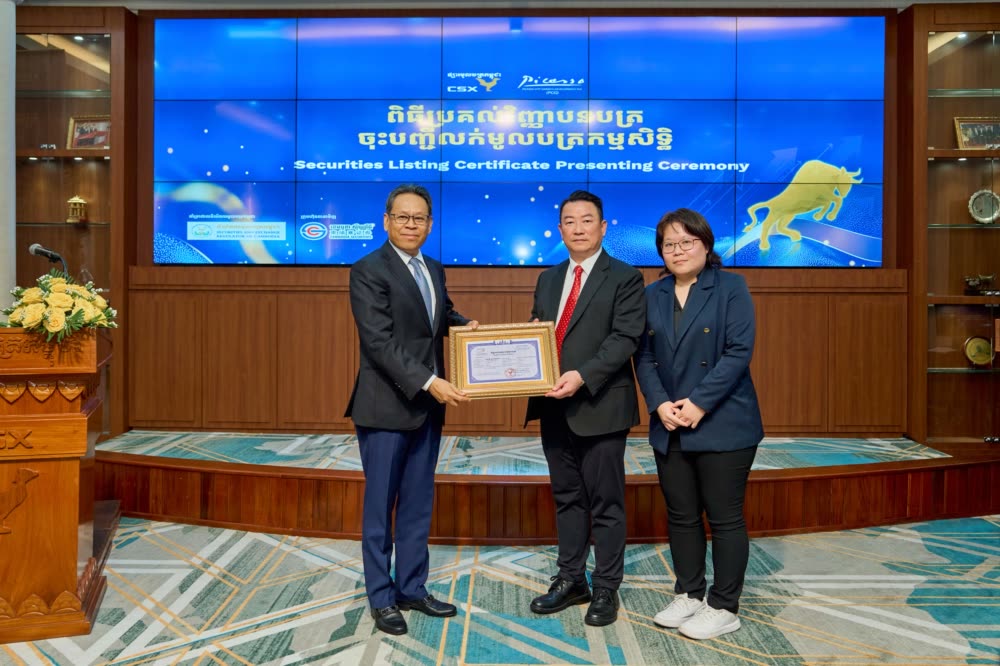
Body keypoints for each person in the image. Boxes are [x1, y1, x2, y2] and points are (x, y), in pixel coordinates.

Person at [345, 184, 479, 636]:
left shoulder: (433, 269)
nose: (410, 224)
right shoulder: (368, 270)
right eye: (402, 217)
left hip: (427, 408)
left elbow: (436, 318)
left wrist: (466, 327)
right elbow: (378, 341)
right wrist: (430, 381)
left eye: (419, 218)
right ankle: (382, 598)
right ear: (386, 221)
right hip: (386, 406)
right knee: (380, 508)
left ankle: (412, 588)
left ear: (430, 224)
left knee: (418, 505)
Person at [634, 208, 763, 640]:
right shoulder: (652, 294)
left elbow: (738, 351)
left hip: (724, 420)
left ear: (706, 245)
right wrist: (659, 404)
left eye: (687, 242)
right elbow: (644, 357)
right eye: (669, 245)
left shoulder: (731, 287)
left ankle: (724, 605)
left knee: (724, 518)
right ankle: (689, 592)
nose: (678, 251)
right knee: (682, 515)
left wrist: (700, 403)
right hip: (670, 422)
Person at [525, 189, 646, 626]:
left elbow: (625, 338)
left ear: (603, 227)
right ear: (560, 229)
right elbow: (541, 333)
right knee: (567, 498)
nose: (578, 228)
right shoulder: (548, 278)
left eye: (587, 220)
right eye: (570, 221)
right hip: (553, 405)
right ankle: (571, 578)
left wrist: (581, 376)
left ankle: (607, 586)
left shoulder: (626, 277)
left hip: (600, 403)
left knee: (606, 502)